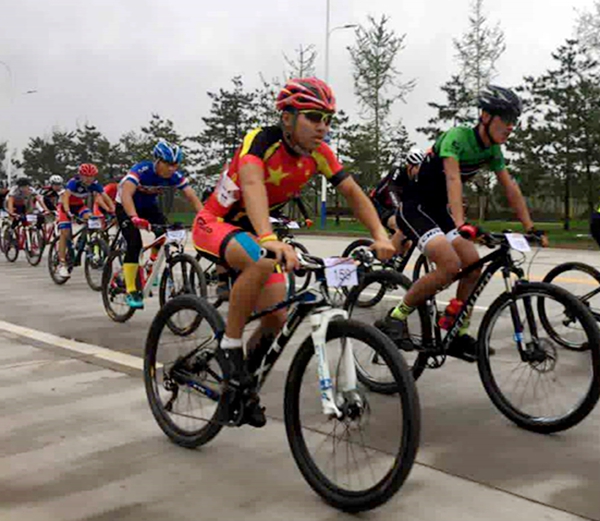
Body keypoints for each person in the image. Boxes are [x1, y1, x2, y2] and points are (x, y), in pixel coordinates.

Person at [192, 77, 395, 428]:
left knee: (276, 318)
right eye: (313, 117)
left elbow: (352, 192)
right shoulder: (261, 141)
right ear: (287, 117)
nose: (323, 127)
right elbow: (252, 183)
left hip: (256, 232)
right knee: (260, 257)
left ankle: (238, 389)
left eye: (327, 119)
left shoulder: (320, 153)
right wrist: (268, 237)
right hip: (216, 222)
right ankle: (229, 346)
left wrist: (379, 234)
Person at [377, 85, 548, 361]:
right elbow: (453, 178)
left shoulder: (492, 150)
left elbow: (510, 187)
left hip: (439, 211)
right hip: (416, 207)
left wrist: (530, 227)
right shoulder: (457, 137)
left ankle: (457, 331)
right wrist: (461, 223)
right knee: (449, 266)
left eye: (514, 120)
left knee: (472, 265)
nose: (511, 127)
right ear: (485, 116)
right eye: (506, 119)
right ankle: (395, 317)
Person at [116, 140, 204, 309]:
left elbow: (192, 197)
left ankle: (151, 263)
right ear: (157, 161)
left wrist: (204, 217)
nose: (171, 168)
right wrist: (134, 217)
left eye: (175, 164)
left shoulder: (174, 176)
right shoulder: (142, 171)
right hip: (126, 206)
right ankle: (131, 290)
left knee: (165, 233)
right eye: (167, 164)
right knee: (134, 243)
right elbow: (126, 194)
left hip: (148, 207)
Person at [56, 164, 115, 278]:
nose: (89, 179)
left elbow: (105, 197)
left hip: (79, 206)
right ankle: (62, 263)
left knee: (92, 219)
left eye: (91, 176)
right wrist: (68, 212)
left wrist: (113, 210)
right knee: (65, 232)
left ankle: (88, 242)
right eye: (86, 176)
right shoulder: (73, 182)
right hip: (64, 206)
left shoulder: (95, 184)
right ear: (80, 175)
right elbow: (66, 197)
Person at [370, 148, 425, 254]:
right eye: (417, 167)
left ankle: (393, 261)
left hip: (392, 208)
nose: (419, 171)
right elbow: (391, 190)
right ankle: (376, 254)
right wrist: (398, 208)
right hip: (378, 204)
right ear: (410, 166)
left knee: (407, 243)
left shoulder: (416, 181)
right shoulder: (397, 171)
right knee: (401, 226)